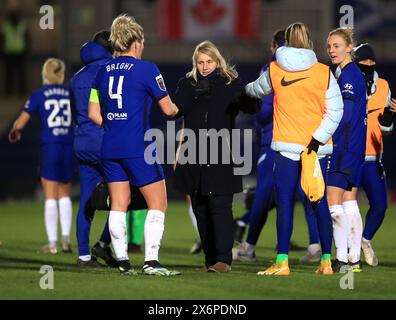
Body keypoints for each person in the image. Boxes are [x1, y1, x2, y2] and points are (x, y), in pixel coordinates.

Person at [245, 22, 343, 276]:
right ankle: (325, 262)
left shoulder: (275, 69)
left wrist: (245, 90)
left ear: (286, 41)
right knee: (319, 202)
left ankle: (282, 261)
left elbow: (254, 90)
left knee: (285, 202)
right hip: (316, 150)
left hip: (286, 147)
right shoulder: (323, 72)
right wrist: (317, 139)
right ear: (310, 41)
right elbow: (337, 112)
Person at [88, 15, 180, 276]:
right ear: (137, 42)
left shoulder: (102, 72)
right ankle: (151, 262)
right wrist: (179, 109)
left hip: (110, 146)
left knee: (119, 203)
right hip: (137, 146)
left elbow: (93, 112)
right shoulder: (147, 69)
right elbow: (168, 109)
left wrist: (116, 125)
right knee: (158, 202)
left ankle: (123, 262)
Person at [232, 29, 322, 263]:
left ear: (275, 47)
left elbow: (263, 111)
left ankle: (250, 247)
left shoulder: (272, 69)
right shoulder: (315, 68)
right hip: (308, 140)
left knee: (264, 194)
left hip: (276, 142)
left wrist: (256, 118)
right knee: (309, 193)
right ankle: (317, 248)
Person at [173, 40, 259, 273]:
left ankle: (223, 260)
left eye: (209, 61)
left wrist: (254, 92)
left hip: (221, 153)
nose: (204, 66)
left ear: (217, 60)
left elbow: (251, 107)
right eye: (200, 62)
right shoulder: (187, 84)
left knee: (220, 206)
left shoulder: (230, 83)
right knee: (200, 208)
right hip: (193, 154)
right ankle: (210, 259)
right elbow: (175, 112)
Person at [8, 58, 74, 254]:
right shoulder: (70, 93)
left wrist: (15, 130)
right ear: (61, 75)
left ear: (45, 75)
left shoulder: (39, 95)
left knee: (50, 195)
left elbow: (21, 121)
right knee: (65, 194)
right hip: (68, 145)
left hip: (50, 146)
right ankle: (66, 240)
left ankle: (52, 244)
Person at [70, 31, 119, 268]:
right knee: (125, 196)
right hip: (105, 140)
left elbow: (76, 113)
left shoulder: (77, 75)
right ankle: (103, 243)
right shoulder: (112, 70)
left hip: (82, 142)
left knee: (87, 201)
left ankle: (83, 257)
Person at [327, 28, 368, 272]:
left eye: (337, 46)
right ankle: (353, 258)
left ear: (349, 48)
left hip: (344, 146)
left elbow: (347, 114)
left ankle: (341, 258)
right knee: (349, 202)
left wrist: (326, 133)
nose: (332, 50)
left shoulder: (349, 76)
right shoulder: (352, 73)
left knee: (333, 204)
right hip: (355, 147)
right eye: (329, 46)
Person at [353, 43, 396, 266]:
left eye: (368, 63)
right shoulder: (347, 83)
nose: (365, 66)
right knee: (342, 208)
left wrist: (388, 121)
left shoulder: (384, 86)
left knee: (380, 206)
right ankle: (342, 253)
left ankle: (365, 241)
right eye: (361, 63)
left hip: (372, 159)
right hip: (350, 156)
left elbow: (386, 130)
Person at [1, 10, 29, 96]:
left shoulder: (22, 26)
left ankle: (20, 92)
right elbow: (2, 40)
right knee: (9, 75)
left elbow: (27, 39)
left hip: (19, 53)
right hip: (9, 53)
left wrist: (26, 51)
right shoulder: (6, 27)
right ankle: (9, 92)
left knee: (19, 74)